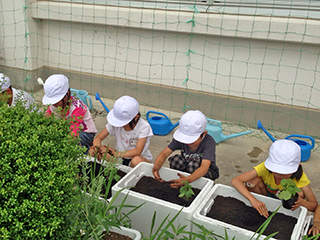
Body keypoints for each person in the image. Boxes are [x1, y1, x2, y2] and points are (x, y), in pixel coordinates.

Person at [232, 139, 318, 218]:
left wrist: (301, 202)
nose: (279, 175)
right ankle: (263, 204)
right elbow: (236, 181)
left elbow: (314, 205)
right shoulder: (264, 168)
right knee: (252, 182)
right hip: (266, 193)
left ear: (297, 166)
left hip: (286, 205)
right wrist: (253, 200)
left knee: (300, 194)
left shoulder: (301, 178)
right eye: (275, 170)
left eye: (284, 172)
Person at [152, 110, 219, 188]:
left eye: (192, 139)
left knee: (193, 165)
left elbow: (204, 166)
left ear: (204, 134)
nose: (188, 142)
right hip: (188, 166)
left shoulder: (209, 142)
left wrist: (188, 180)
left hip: (207, 171)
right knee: (176, 160)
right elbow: (164, 153)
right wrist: (156, 169)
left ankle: (197, 185)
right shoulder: (180, 140)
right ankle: (181, 181)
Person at [89, 95, 153, 167]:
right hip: (119, 157)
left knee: (136, 161)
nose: (121, 125)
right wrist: (98, 148)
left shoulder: (144, 127)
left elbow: (138, 150)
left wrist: (118, 154)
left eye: (124, 122)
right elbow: (99, 138)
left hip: (136, 157)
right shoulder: (115, 124)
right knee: (93, 151)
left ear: (136, 117)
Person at [42, 74, 97, 154]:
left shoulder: (77, 107)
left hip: (85, 132)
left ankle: (85, 153)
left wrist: (63, 148)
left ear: (67, 94)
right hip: (68, 129)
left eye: (56, 101)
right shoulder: (54, 105)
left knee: (76, 145)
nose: (54, 104)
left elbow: (74, 130)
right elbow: (46, 118)